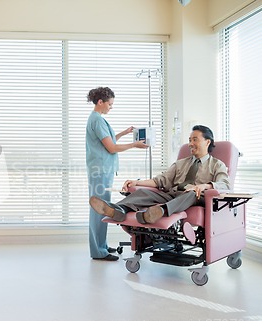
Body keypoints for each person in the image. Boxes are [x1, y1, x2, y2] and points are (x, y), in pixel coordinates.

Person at [89, 125, 229, 226]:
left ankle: (160, 211)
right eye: (189, 140)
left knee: (191, 193)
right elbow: (160, 180)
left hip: (194, 197)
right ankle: (118, 210)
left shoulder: (217, 165)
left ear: (207, 142)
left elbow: (225, 185)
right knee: (144, 192)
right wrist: (137, 183)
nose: (190, 143)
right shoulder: (181, 163)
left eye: (195, 139)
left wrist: (205, 186)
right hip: (173, 195)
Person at [86, 87, 148, 261]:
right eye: (110, 104)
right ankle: (98, 251)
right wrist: (134, 144)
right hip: (100, 170)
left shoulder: (98, 120)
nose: (111, 107)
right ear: (100, 102)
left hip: (102, 169)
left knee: (103, 207)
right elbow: (111, 148)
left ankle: (102, 246)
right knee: (99, 209)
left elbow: (109, 141)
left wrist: (124, 133)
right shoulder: (97, 120)